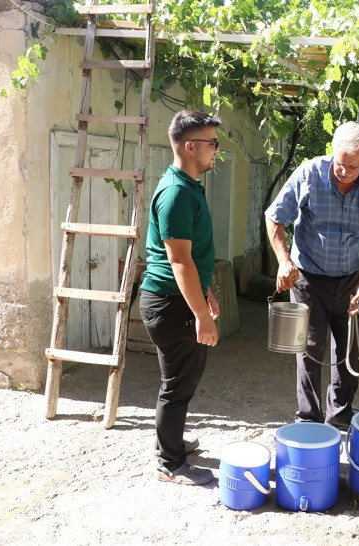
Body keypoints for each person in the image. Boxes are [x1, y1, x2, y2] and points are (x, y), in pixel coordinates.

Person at [265, 121, 359, 428]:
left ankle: (340, 416)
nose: (344, 171)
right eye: (340, 163)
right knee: (310, 349)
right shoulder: (309, 173)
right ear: (332, 153)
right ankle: (308, 421)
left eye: (353, 166)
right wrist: (284, 262)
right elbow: (274, 219)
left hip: (351, 278)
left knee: (350, 350)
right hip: (309, 277)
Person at [139, 110, 222, 485]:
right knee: (178, 383)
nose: (216, 151)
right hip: (171, 304)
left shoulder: (186, 186)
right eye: (212, 144)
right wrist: (201, 315)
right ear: (191, 147)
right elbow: (177, 259)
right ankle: (170, 465)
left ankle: (169, 443)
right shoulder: (175, 192)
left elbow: (189, 255)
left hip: (177, 300)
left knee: (180, 379)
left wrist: (205, 293)